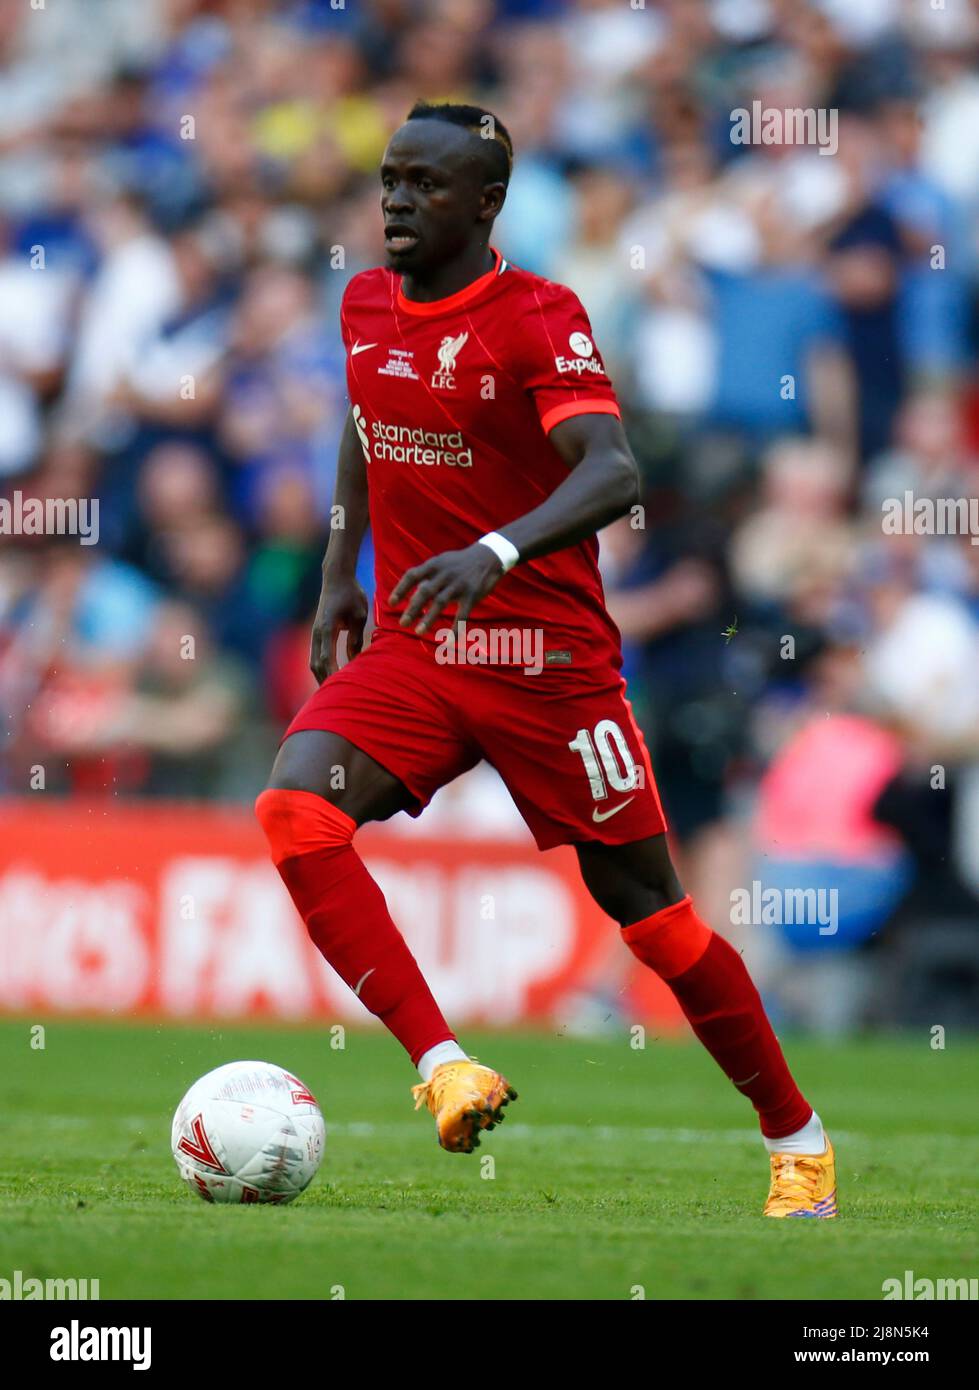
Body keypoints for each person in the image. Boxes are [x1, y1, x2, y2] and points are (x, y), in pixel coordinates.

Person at [255, 102, 836, 1218]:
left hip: (546, 661)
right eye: (388, 180)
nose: (394, 202)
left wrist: (495, 548)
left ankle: (797, 1139)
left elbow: (612, 470)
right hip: (421, 644)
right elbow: (367, 420)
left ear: (486, 204)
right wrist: (341, 568)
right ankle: (443, 1065)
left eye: (424, 185)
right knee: (296, 811)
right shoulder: (364, 299)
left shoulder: (538, 314)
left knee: (655, 918)